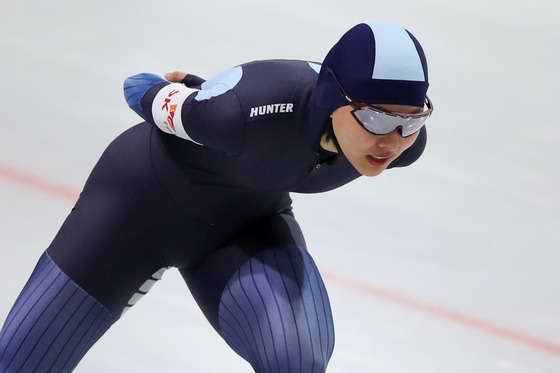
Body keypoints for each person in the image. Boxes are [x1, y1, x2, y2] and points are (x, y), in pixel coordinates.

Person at [0, 22, 432, 373]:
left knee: (296, 361)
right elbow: (139, 88)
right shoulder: (241, 115)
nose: (392, 141)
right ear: (333, 100)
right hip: (135, 212)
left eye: (412, 120)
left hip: (242, 227)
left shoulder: (401, 145)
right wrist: (201, 103)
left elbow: (266, 148)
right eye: (375, 117)